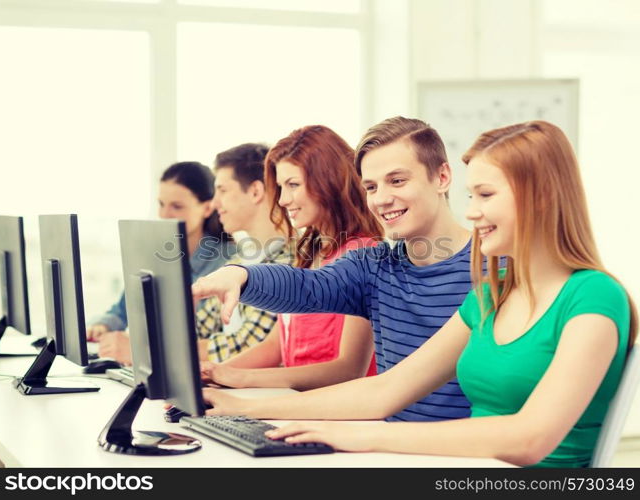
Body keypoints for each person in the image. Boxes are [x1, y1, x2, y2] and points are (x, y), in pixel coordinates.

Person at [199, 120, 637, 468]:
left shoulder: (583, 294)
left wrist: (365, 436)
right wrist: (243, 277)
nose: (472, 210)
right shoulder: (491, 294)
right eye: (370, 187)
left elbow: (527, 438)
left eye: (484, 194)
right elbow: (381, 388)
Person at [194, 117, 472, 420]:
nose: (381, 199)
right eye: (371, 186)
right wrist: (240, 275)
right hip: (391, 449)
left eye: (397, 180)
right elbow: (305, 287)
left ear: (442, 177)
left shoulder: (499, 270)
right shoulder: (373, 267)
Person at [200, 125, 383, 391]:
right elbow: (276, 347)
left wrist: (239, 379)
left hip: (340, 414)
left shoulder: (365, 253)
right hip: (298, 404)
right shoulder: (307, 253)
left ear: (328, 180)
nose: (283, 200)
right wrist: (215, 375)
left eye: (293, 185)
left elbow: (349, 369)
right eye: (281, 187)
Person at [87, 161, 234, 365]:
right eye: (161, 204)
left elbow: (199, 334)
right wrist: (103, 326)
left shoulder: (229, 262)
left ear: (207, 208)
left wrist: (137, 348)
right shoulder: (156, 254)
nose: (164, 215)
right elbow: (122, 311)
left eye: (177, 206)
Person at [195, 143, 294, 362]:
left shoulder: (292, 261)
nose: (214, 203)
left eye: (222, 190)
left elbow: (248, 345)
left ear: (255, 191)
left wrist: (166, 351)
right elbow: (201, 325)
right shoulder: (240, 259)